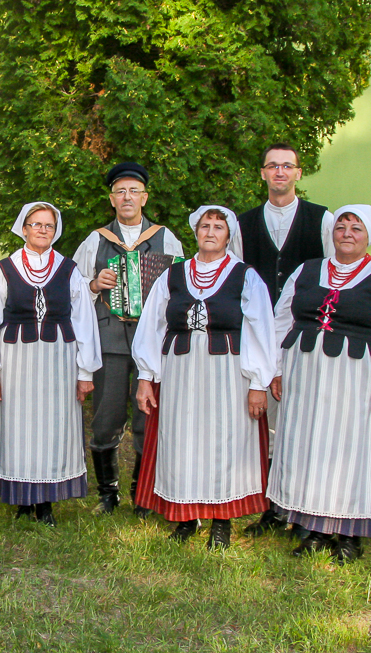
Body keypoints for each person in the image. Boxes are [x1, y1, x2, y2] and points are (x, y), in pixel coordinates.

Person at [267, 206, 371, 564]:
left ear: (369, 236)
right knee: (310, 448)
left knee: (350, 452)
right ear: (332, 233)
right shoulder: (306, 271)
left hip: (357, 380)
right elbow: (280, 319)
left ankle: (350, 535)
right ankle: (315, 529)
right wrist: (274, 368)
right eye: (341, 226)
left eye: (356, 228)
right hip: (306, 376)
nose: (347, 233)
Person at [133, 206, 276, 549]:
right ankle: (185, 516)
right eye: (205, 226)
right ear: (195, 232)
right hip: (180, 372)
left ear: (229, 235)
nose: (211, 232)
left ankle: (221, 521)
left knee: (223, 441)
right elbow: (152, 326)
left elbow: (262, 331)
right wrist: (145, 376)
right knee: (182, 439)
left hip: (227, 372)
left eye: (218, 227)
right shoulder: (174, 275)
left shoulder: (245, 276)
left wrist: (258, 384)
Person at [0, 202, 101, 527]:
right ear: (24, 228)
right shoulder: (6, 269)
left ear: (54, 230)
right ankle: (21, 499)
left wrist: (85, 372)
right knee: (18, 427)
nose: (42, 230)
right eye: (36, 224)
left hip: (59, 361)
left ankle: (45, 502)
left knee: (54, 427)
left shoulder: (69, 270)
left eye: (48, 225)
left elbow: (84, 321)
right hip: (16, 360)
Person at [233, 143, 336, 538]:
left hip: (308, 331)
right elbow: (238, 277)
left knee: (310, 418)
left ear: (298, 173)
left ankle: (308, 507)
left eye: (287, 166)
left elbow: (334, 270)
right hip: (262, 333)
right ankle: (274, 508)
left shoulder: (323, 220)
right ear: (262, 173)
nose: (279, 172)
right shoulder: (243, 224)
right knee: (273, 423)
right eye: (272, 166)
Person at [71, 162, 184, 515]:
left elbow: (182, 288)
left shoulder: (167, 239)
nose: (127, 197)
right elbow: (74, 289)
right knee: (105, 416)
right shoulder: (96, 240)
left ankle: (143, 493)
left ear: (145, 197)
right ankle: (108, 493)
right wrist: (93, 284)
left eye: (134, 191)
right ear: (112, 199)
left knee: (146, 415)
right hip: (110, 338)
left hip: (152, 341)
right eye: (121, 191)